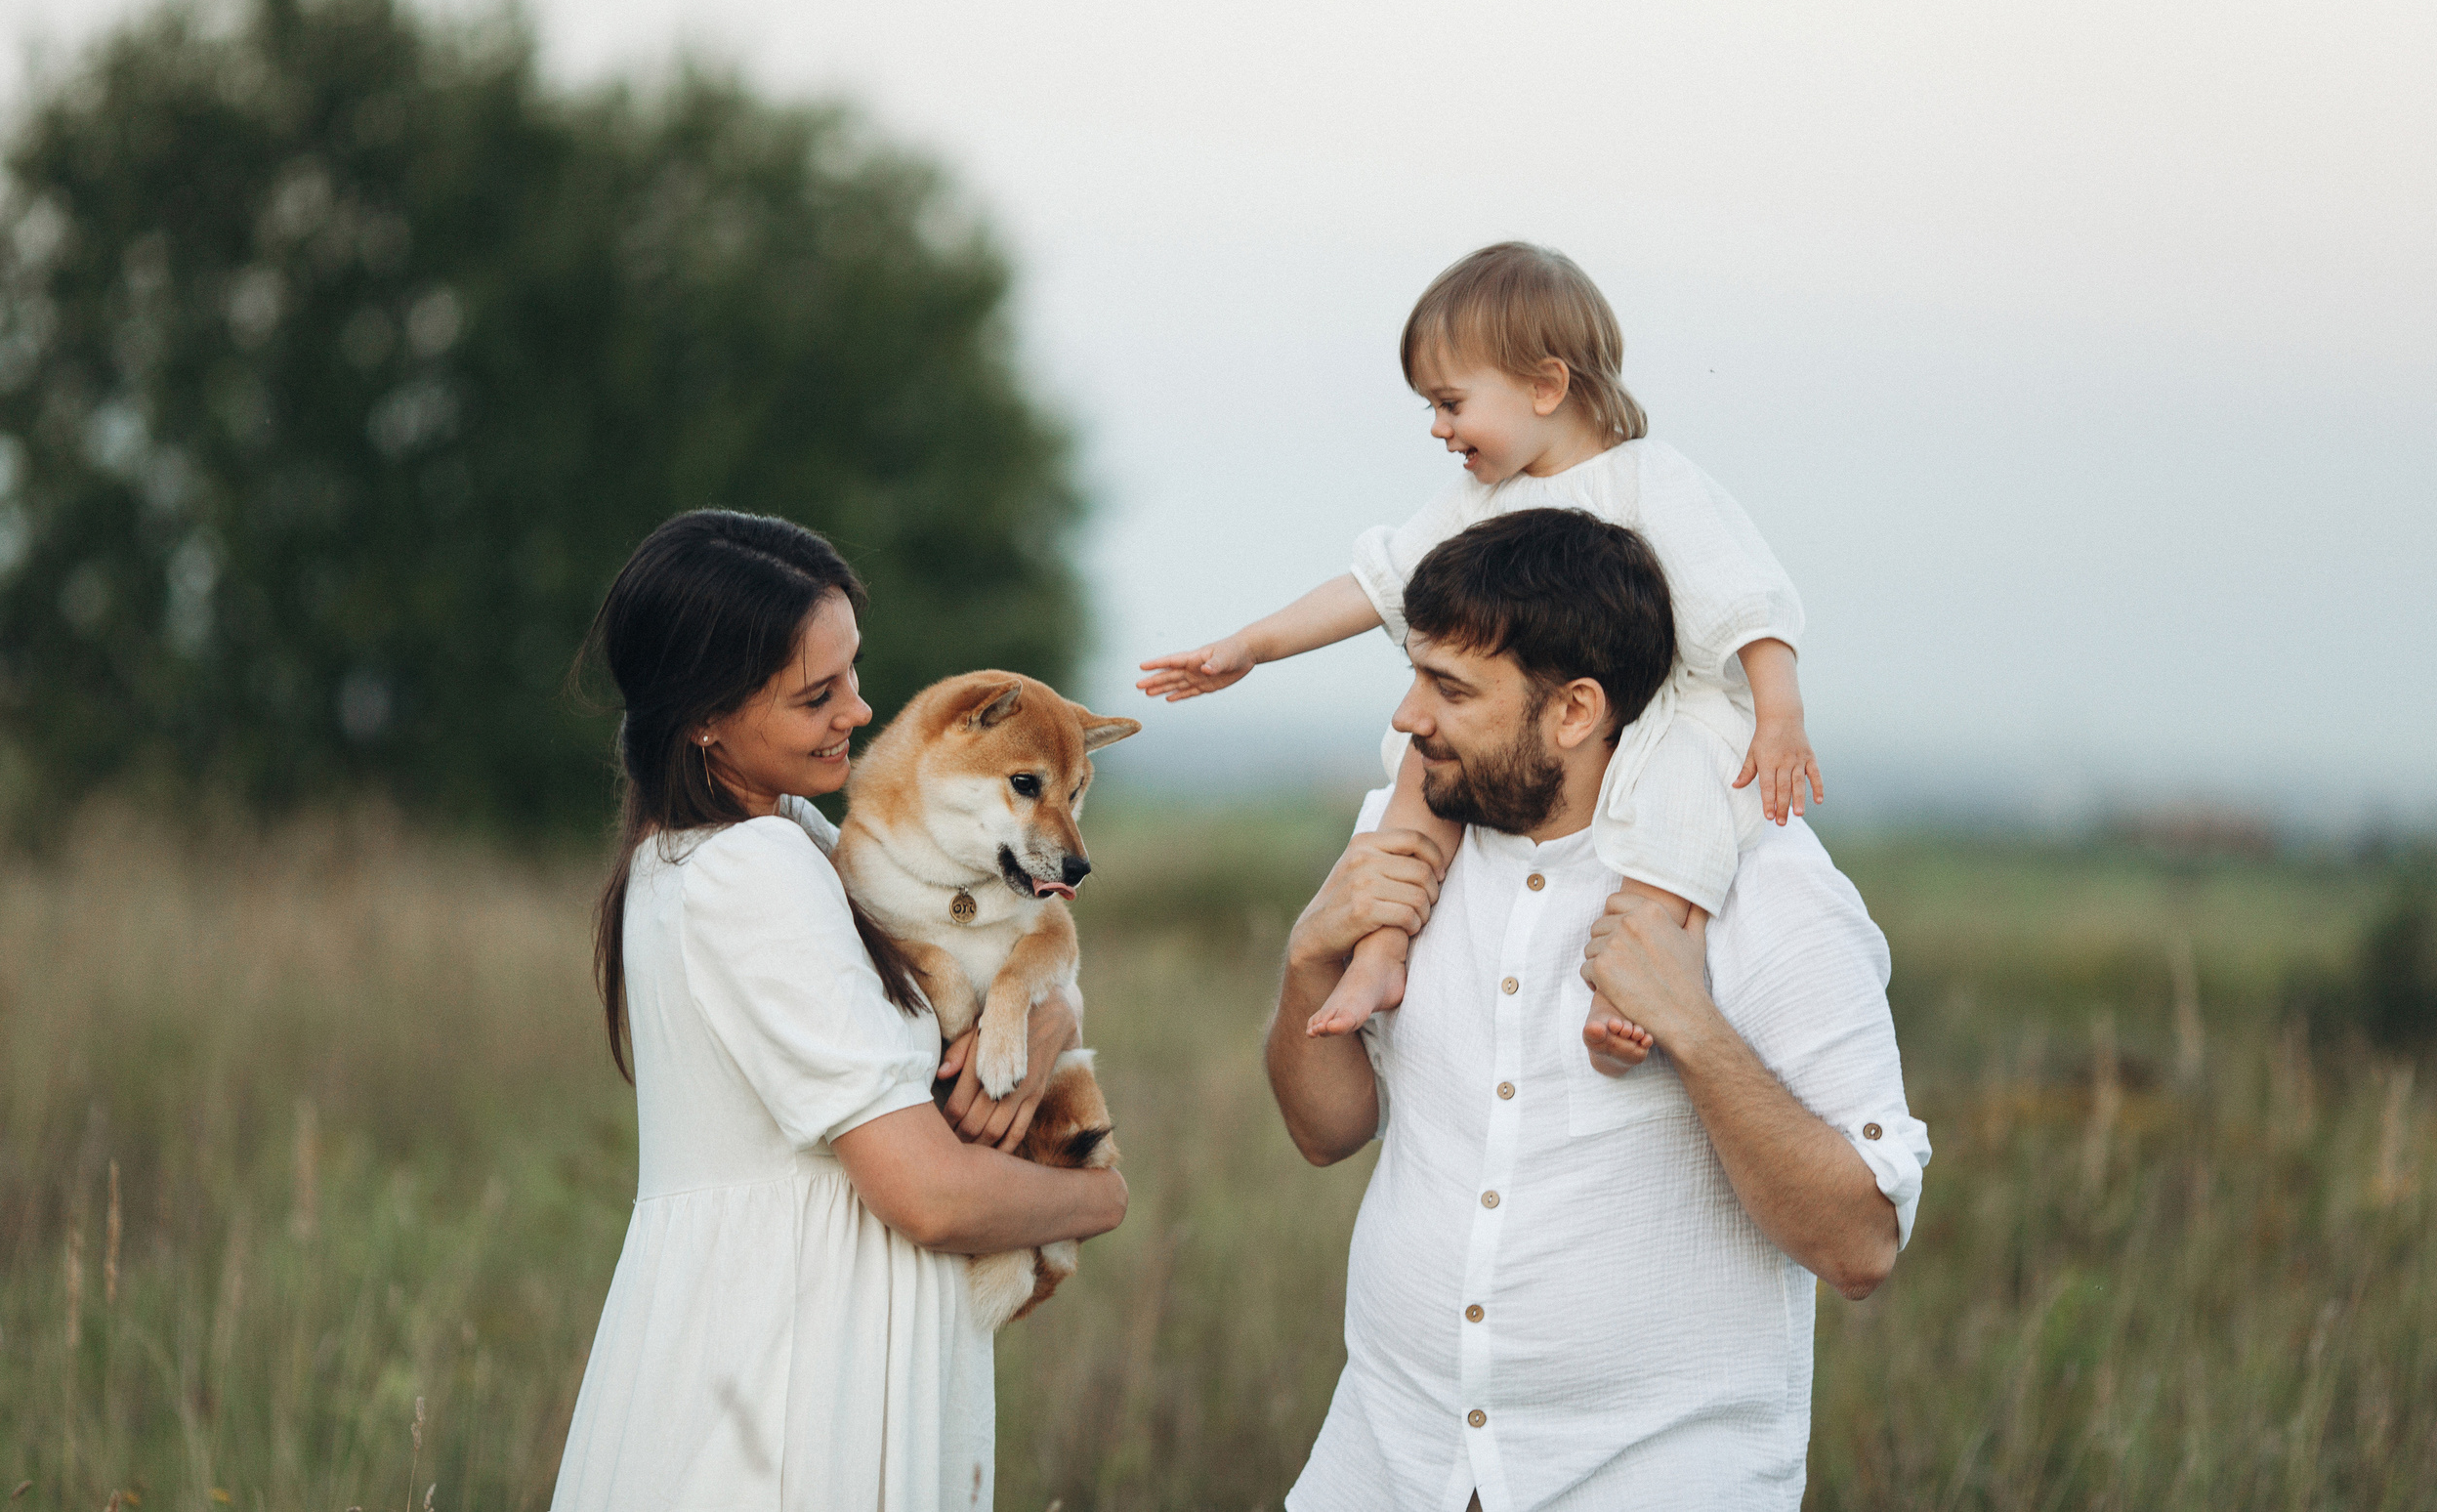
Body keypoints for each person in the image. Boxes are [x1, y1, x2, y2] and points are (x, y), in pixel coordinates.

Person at [1265, 508, 1928, 1511]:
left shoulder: (1769, 888)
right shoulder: (1406, 843)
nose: (1407, 717)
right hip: (1386, 1458)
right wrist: (1307, 960)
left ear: (1575, 710)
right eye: (1412, 674)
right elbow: (1326, 1134)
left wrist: (1691, 1028)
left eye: (1449, 688)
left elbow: (1861, 1246)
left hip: (1651, 1479)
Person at [550, 510, 1127, 1510]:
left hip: (775, 1355)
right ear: (704, 720)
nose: (858, 713)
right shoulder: (757, 869)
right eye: (816, 696)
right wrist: (1099, 1201)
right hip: (789, 1392)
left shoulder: (787, 841)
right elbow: (927, 1194)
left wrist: (1048, 1025)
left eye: (854, 674)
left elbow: (998, 945)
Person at [1142, 241, 1819, 1044]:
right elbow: (1378, 580)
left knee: (1683, 801)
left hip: (1656, 711)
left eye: (1451, 402)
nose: (1438, 427)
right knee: (1422, 777)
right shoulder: (1479, 498)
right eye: (1430, 406)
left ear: (1546, 385)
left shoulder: (1649, 479)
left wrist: (1778, 713)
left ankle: (1630, 987)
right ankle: (1383, 949)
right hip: (1529, 729)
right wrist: (1254, 644)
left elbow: (1741, 596)